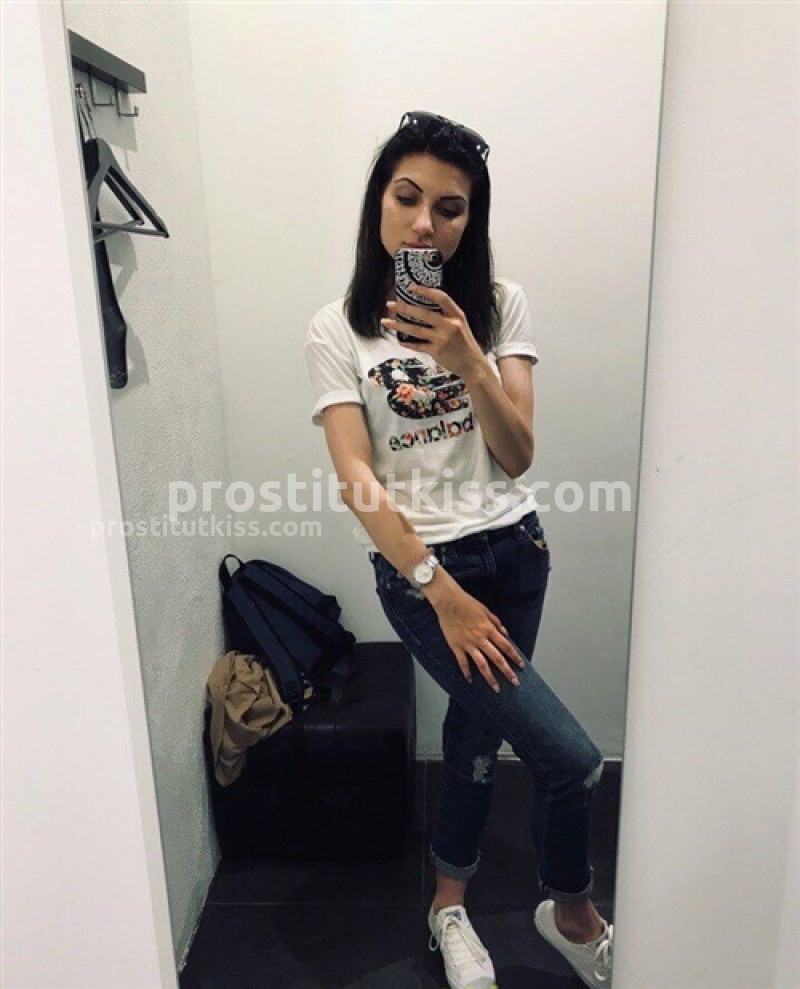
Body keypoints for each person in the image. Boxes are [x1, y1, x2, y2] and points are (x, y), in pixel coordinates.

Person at [304, 111, 614, 989]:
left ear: (470, 221)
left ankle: (447, 904)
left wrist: (469, 356)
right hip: (425, 575)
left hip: (517, 551)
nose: (424, 224)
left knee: (476, 735)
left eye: (450, 208)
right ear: (378, 202)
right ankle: (573, 914)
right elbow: (358, 480)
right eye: (407, 198)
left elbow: (517, 454)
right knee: (571, 759)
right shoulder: (337, 330)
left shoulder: (499, 305)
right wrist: (439, 588)